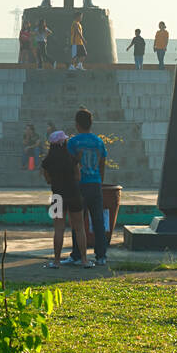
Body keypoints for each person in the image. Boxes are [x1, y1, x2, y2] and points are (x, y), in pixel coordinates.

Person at [42, 131, 92, 269]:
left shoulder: (47, 162)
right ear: (64, 143)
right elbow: (78, 177)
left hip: (57, 196)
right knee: (79, 228)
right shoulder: (72, 159)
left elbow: (47, 180)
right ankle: (84, 260)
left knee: (58, 229)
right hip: (74, 195)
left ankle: (56, 261)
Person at [67, 107, 109, 265]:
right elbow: (102, 164)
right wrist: (100, 181)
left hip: (79, 185)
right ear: (91, 124)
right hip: (95, 184)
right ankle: (101, 256)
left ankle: (77, 254)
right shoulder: (99, 142)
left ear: (77, 124)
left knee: (78, 221)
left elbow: (71, 165)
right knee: (98, 221)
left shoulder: (73, 142)